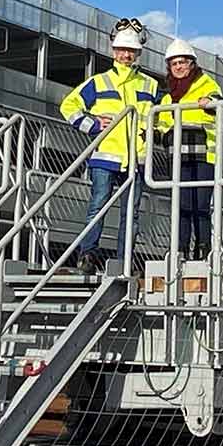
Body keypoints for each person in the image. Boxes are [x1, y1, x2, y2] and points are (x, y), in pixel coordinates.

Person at [58, 18, 159, 273]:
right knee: (98, 206)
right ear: (114, 51)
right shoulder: (98, 82)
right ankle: (87, 255)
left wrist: (157, 129)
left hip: (136, 159)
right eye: (123, 50)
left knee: (131, 214)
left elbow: (165, 113)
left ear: (138, 53)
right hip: (105, 156)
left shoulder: (151, 85)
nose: (126, 55)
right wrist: (91, 124)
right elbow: (68, 106)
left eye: (131, 51)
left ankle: (124, 261)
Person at [157, 39, 221, 259]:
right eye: (174, 64)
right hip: (178, 154)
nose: (178, 67)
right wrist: (163, 133)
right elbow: (163, 124)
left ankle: (204, 249)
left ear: (192, 64)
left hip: (204, 154)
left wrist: (210, 102)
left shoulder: (207, 84)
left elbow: (218, 103)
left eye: (183, 62)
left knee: (201, 204)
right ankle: (180, 249)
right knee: (182, 204)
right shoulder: (168, 96)